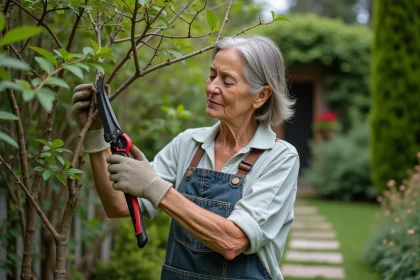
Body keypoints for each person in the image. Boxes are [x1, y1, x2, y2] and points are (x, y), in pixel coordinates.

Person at [72, 35, 300, 280]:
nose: (212, 87)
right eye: (212, 75)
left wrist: (154, 187)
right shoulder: (188, 144)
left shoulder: (280, 158)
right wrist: (96, 137)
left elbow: (232, 240)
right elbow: (118, 205)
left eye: (227, 81)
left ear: (261, 95)